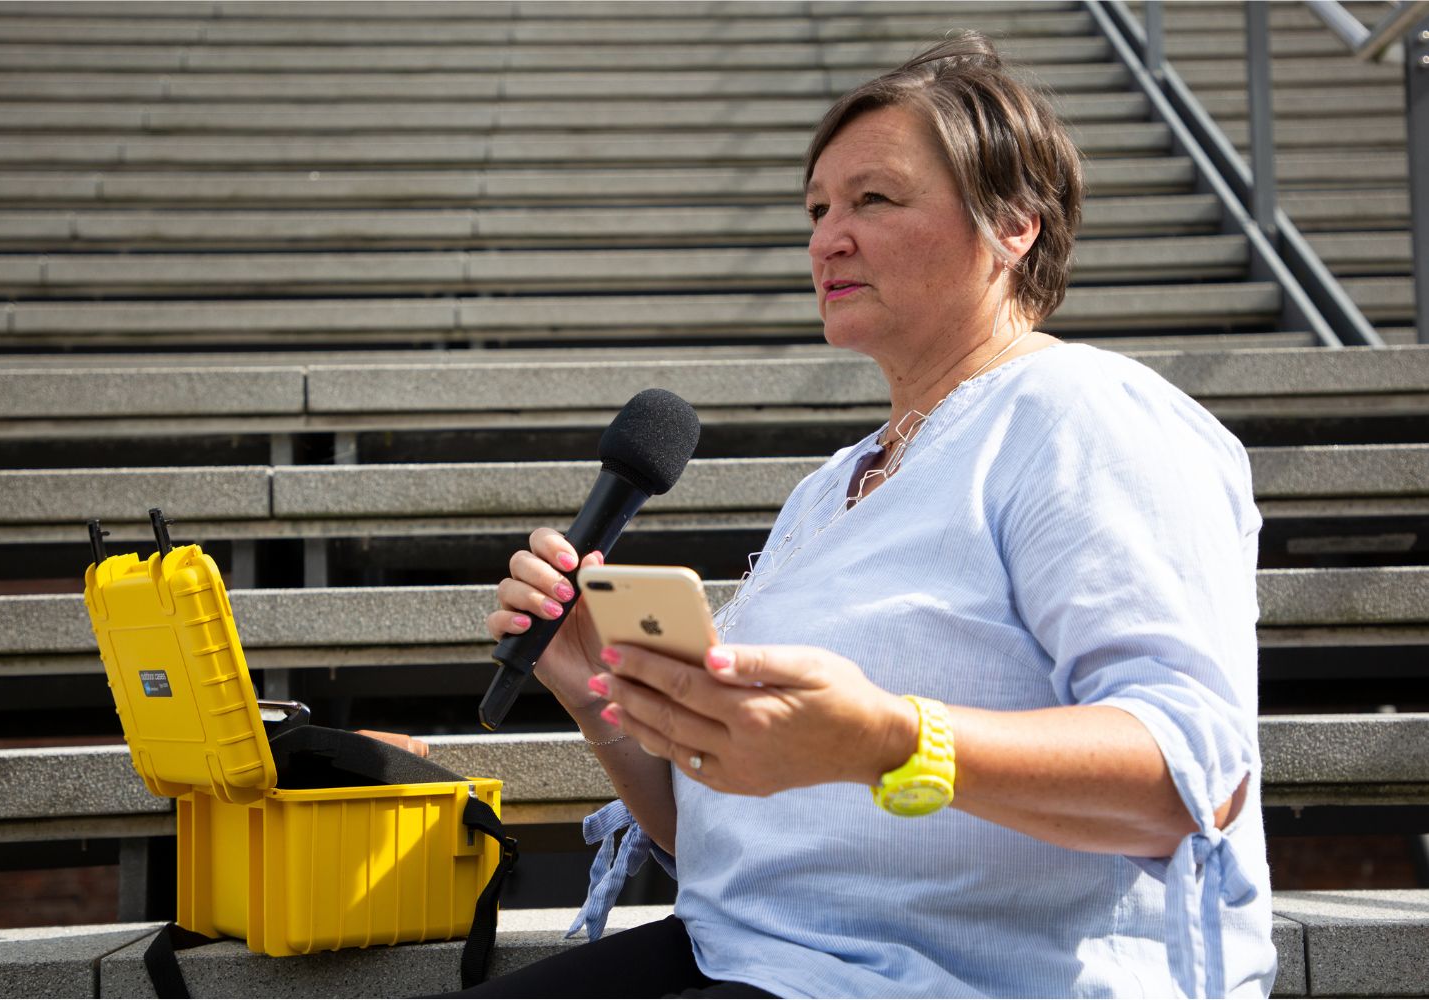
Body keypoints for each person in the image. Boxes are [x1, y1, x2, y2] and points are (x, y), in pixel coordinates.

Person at [471, 33, 1275, 999]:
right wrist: (597, 687)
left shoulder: (1087, 414)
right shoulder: (836, 485)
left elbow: (1194, 778)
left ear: (1013, 223)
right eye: (816, 210)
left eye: (874, 200)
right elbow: (740, 839)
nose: (826, 238)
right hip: (750, 955)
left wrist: (892, 740)